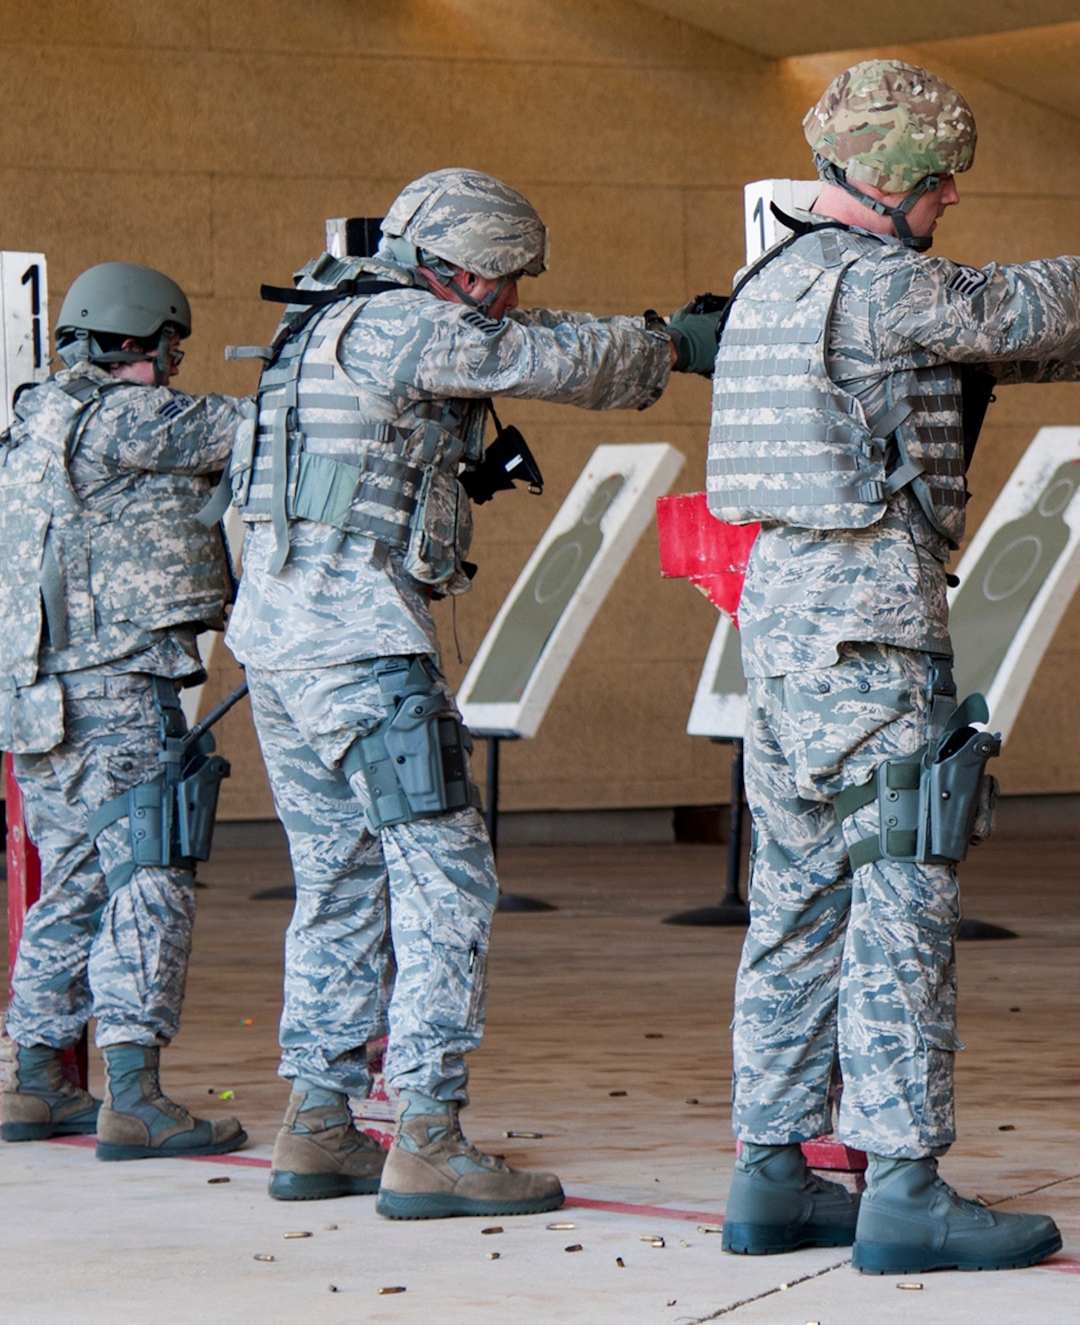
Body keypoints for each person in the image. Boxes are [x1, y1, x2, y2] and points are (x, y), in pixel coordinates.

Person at [708, 59, 1080, 1275]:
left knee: (793, 903)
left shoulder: (770, 284)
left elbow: (982, 351)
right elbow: (1008, 310)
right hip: (868, 628)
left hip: (776, 632)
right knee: (899, 903)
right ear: (898, 181)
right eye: (939, 187)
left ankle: (770, 1173)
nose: (947, 207)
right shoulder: (878, 285)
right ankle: (903, 1186)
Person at [227, 168, 718, 1219]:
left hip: (279, 647)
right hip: (361, 652)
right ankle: (428, 1135)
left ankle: (318, 1123)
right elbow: (541, 357)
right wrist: (668, 345)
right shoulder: (406, 322)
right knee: (447, 879)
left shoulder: (318, 326)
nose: (509, 301)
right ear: (459, 269)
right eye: (503, 283)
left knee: (340, 878)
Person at [0, 262, 247, 1159]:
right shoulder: (125, 417)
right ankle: (134, 1094)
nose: (173, 369)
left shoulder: (28, 429)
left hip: (37, 703)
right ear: (142, 343)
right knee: (147, 873)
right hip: (113, 695)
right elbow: (257, 429)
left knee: (78, 881)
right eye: (169, 351)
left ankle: (37, 1081)